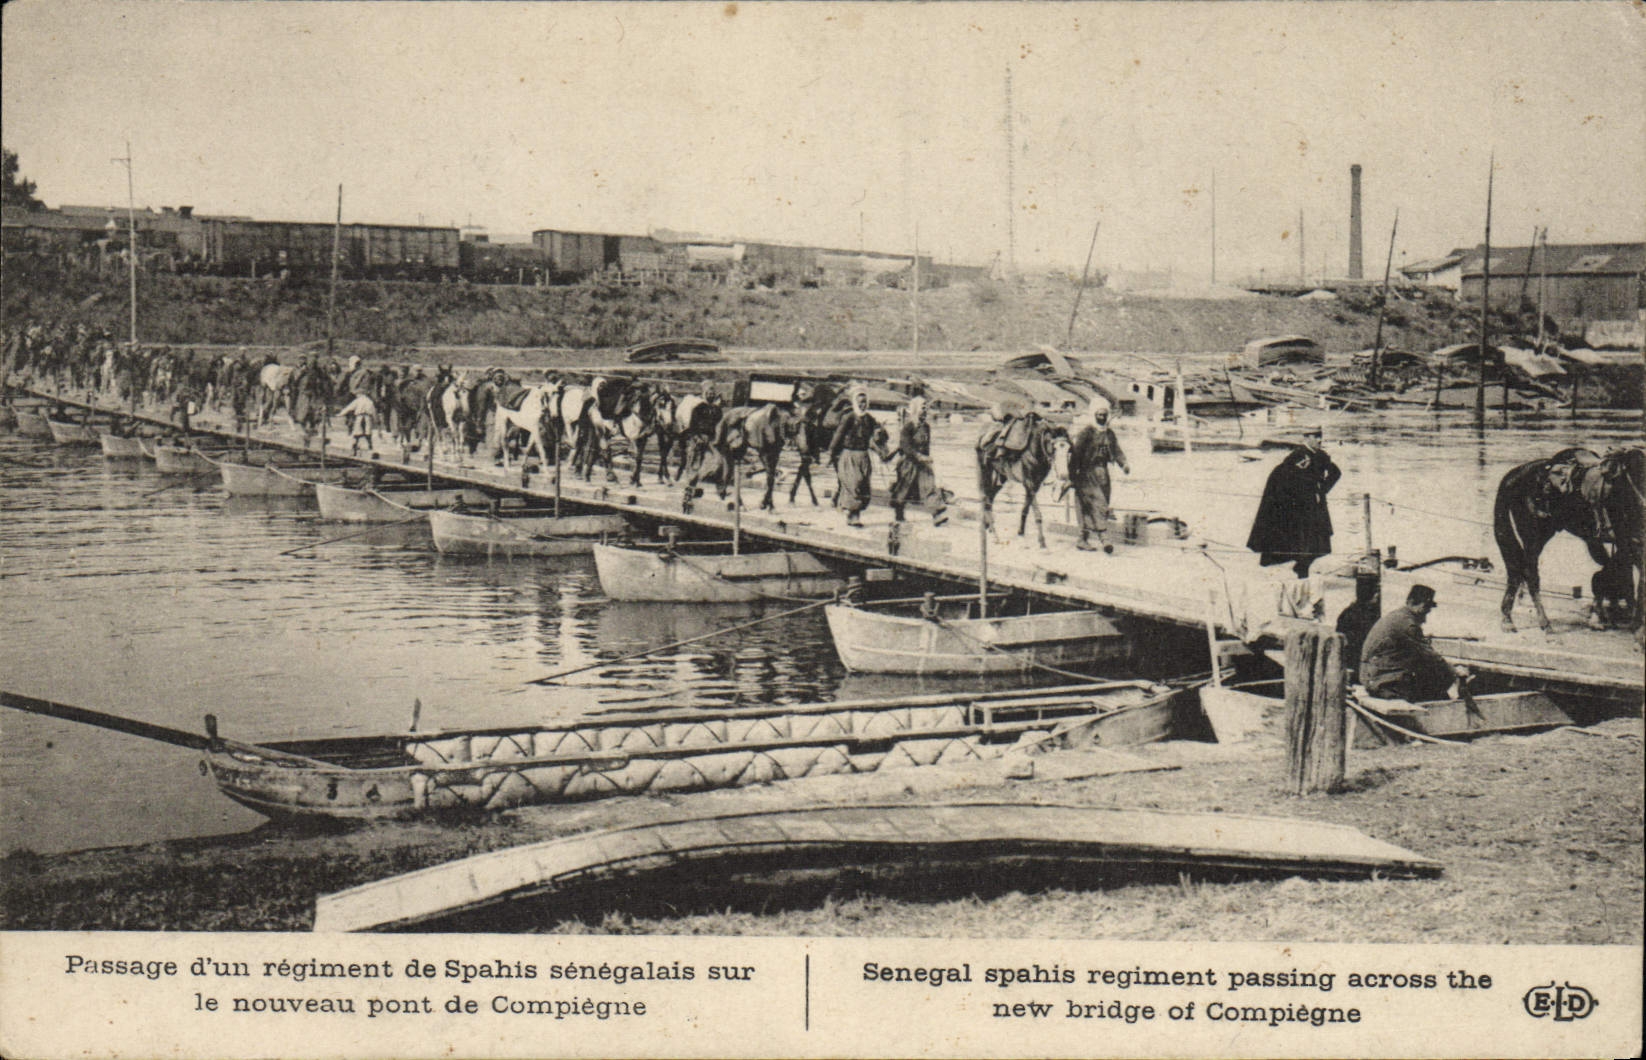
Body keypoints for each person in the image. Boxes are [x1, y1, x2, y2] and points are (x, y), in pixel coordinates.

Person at [1246, 426, 1341, 577]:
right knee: (1301, 540)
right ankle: (1301, 568)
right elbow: (1281, 478)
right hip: (1298, 507)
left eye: (1320, 436)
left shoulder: (1321, 455)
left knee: (1319, 541)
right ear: (1306, 437)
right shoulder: (1298, 456)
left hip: (1314, 506)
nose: (1319, 440)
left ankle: (1302, 566)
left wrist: (1322, 490)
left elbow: (1336, 472)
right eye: (1315, 436)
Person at [1359, 584, 1468, 702]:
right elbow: (1430, 657)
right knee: (1434, 689)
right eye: (1424, 609)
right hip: (1384, 683)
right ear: (1411, 602)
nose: (1425, 617)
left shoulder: (1397, 616)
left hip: (1373, 677)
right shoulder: (1407, 624)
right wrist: (1456, 672)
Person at [1065, 397, 1129, 552]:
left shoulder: (1109, 434)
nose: (1102, 417)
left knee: (1101, 504)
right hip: (1087, 474)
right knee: (1097, 504)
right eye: (1099, 415)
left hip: (1103, 475)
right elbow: (1075, 455)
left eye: (1104, 414)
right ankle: (1104, 538)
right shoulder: (1086, 433)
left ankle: (1083, 539)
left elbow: (1116, 450)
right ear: (1093, 415)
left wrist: (1124, 464)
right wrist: (1073, 477)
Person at [827, 387, 889, 527]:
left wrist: (881, 433)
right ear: (855, 402)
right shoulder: (848, 418)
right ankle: (853, 515)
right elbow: (838, 436)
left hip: (864, 456)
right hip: (849, 456)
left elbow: (878, 437)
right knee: (854, 484)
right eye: (860, 402)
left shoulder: (869, 419)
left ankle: (854, 513)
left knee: (864, 486)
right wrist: (831, 453)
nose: (863, 405)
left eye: (865, 402)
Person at [889, 395, 949, 526]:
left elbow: (927, 446)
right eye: (922, 408)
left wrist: (927, 459)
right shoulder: (908, 427)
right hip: (909, 463)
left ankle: (937, 515)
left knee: (929, 487)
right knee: (903, 489)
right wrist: (918, 456)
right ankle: (899, 514)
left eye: (926, 408)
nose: (925, 411)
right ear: (915, 409)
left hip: (923, 464)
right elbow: (905, 446)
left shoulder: (926, 427)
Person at [338, 391, 377, 456]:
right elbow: (374, 412)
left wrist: (340, 414)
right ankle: (370, 447)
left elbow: (349, 408)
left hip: (360, 417)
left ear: (361, 394)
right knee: (368, 434)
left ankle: (355, 449)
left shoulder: (358, 401)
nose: (356, 395)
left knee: (357, 434)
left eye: (357, 394)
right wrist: (376, 420)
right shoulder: (370, 401)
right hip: (367, 418)